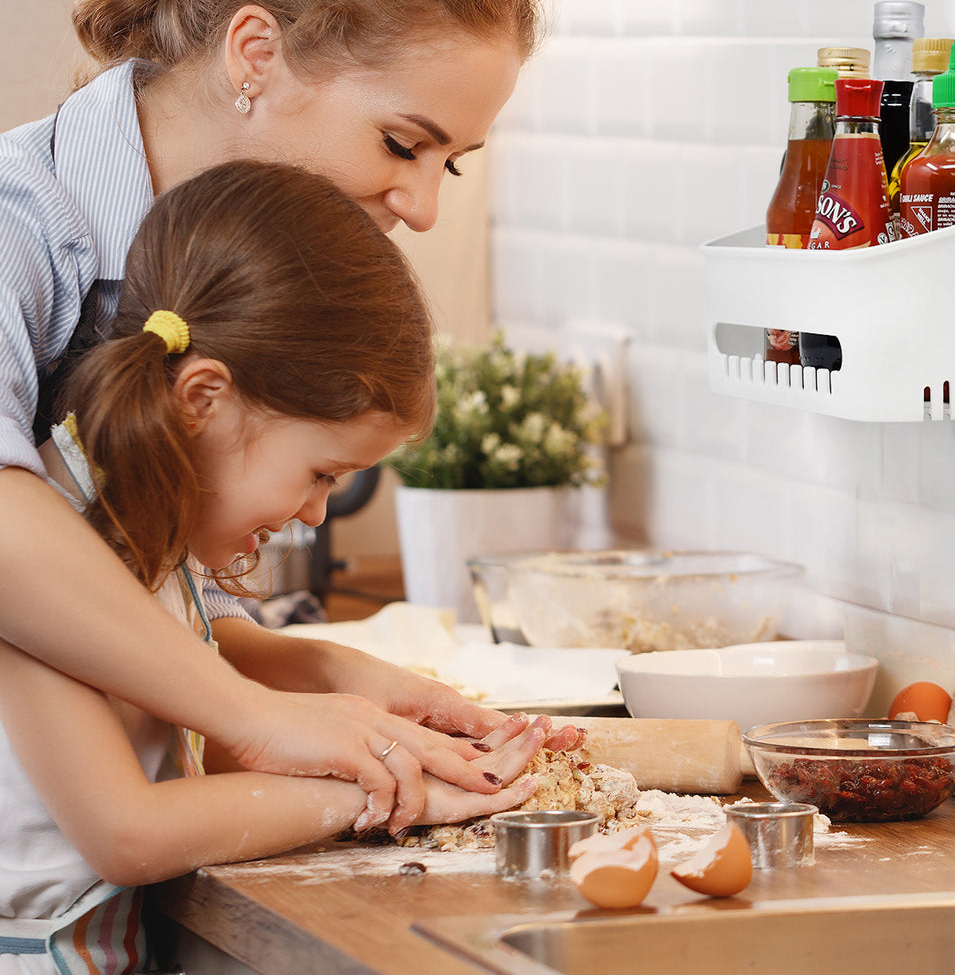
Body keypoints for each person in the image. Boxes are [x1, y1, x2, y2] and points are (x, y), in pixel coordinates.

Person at [0, 0, 555, 824]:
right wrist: (253, 715)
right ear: (255, 53)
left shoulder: (226, 266)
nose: (425, 208)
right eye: (402, 144)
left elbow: (146, 601)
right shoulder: (19, 231)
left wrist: (322, 673)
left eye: (451, 163)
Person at [0, 159, 550, 973]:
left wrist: (357, 700)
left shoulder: (149, 534)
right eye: (321, 473)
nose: (318, 513)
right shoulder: (59, 565)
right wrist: (388, 796)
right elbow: (128, 832)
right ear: (202, 399)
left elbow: (199, 725)